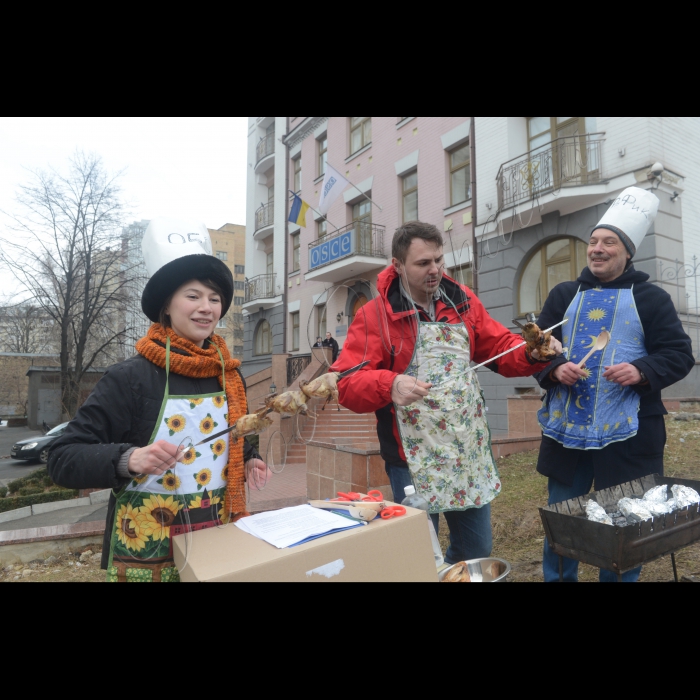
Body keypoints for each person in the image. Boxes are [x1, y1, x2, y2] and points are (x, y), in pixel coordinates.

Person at [48, 218, 270, 583]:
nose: (207, 308)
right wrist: (129, 458)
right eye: (193, 296)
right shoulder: (130, 377)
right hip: (146, 551)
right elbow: (62, 457)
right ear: (167, 305)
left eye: (214, 298)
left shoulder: (228, 373)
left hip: (216, 540)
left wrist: (250, 459)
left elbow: (232, 440)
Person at [334, 221, 562, 564]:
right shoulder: (375, 315)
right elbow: (346, 383)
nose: (435, 270)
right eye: (423, 263)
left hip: (465, 451)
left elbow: (499, 346)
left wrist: (532, 351)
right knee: (421, 554)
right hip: (412, 459)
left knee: (476, 551)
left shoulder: (462, 301)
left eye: (439, 260)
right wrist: (390, 384)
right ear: (398, 265)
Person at [535, 188, 695, 583]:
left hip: (629, 438)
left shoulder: (652, 298)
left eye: (609, 242)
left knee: (625, 527)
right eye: (593, 241)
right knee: (563, 520)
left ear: (627, 252)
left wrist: (641, 370)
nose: (597, 249)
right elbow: (535, 349)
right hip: (568, 434)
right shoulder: (564, 295)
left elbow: (679, 354)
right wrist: (555, 369)